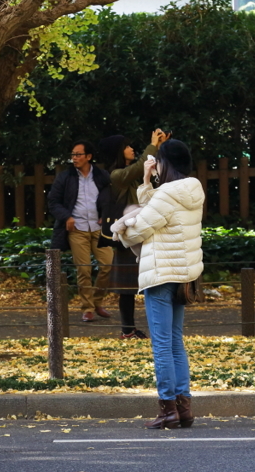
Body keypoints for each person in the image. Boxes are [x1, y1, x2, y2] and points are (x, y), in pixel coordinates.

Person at [116, 139, 204, 430]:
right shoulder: (192, 189)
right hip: (183, 276)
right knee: (176, 343)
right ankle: (183, 407)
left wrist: (120, 228)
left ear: (165, 163)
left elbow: (140, 227)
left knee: (162, 345)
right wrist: (145, 180)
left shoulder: (166, 194)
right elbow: (153, 207)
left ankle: (167, 410)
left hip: (160, 275)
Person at [97, 129, 169, 339]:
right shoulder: (117, 175)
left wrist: (161, 146)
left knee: (152, 283)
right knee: (127, 288)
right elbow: (140, 167)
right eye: (127, 146)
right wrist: (153, 146)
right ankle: (128, 329)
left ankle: (146, 327)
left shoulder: (131, 174)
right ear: (118, 152)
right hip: (128, 236)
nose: (131, 149)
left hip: (145, 230)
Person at [48, 140, 112, 323]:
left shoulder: (101, 176)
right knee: (84, 269)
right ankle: (88, 308)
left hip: (99, 228)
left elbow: (111, 197)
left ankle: (97, 302)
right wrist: (67, 216)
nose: (74, 158)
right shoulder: (65, 177)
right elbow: (53, 202)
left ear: (88, 157)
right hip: (77, 229)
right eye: (73, 155)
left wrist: (105, 214)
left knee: (108, 265)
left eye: (78, 154)